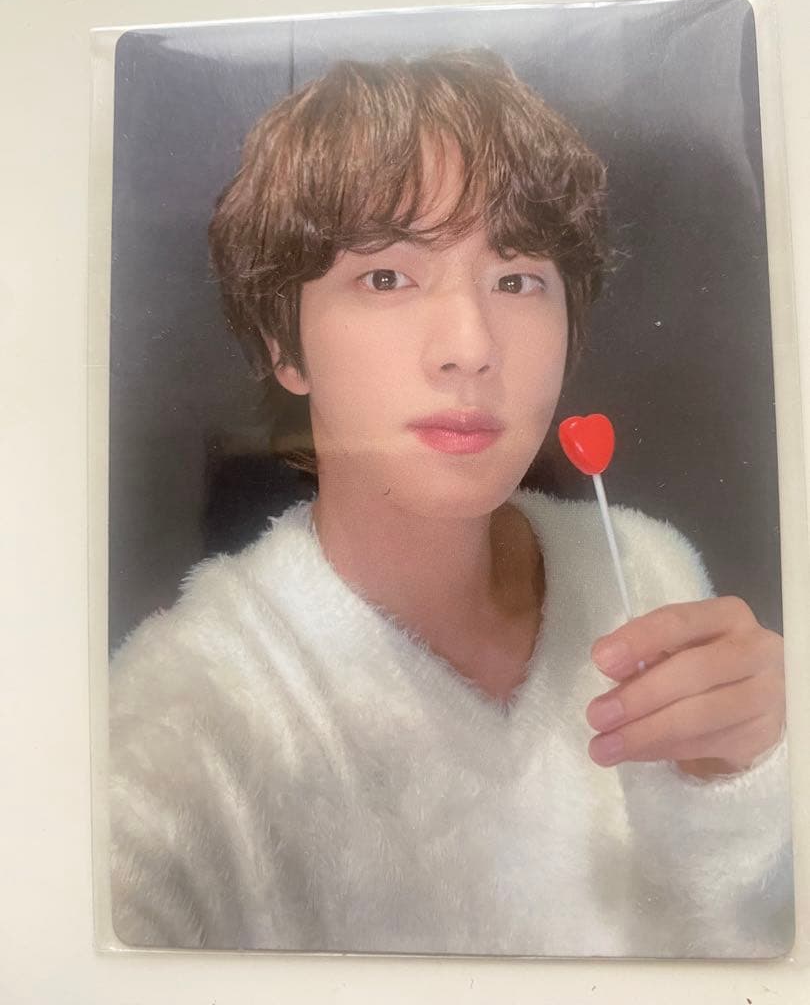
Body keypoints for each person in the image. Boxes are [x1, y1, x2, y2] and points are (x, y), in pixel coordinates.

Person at [107, 49, 792, 957]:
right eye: (386, 277)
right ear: (284, 341)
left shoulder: (646, 569)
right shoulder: (175, 724)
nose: (470, 346)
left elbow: (742, 955)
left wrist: (742, 787)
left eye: (517, 280)